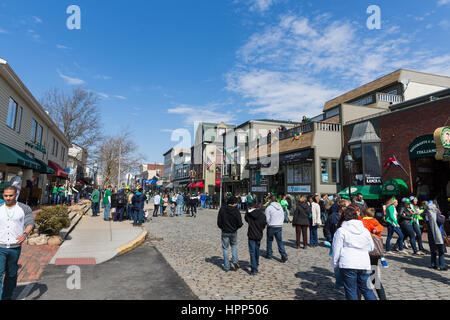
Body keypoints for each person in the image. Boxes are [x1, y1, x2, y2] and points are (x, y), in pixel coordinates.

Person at [331, 206, 377, 301]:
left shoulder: (341, 231)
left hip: (348, 263)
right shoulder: (365, 231)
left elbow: (336, 250)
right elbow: (371, 247)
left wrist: (335, 264)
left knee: (351, 291)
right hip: (364, 263)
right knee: (367, 290)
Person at [0, 186, 35, 300]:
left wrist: (25, 234)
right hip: (0, 246)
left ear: (16, 195)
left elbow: (30, 223)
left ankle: (7, 297)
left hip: (15, 247)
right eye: (5, 196)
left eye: (10, 195)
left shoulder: (24, 208)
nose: (8, 198)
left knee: (11, 274)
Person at [362, 208, 387, 300]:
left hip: (365, 251)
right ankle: (382, 297)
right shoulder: (374, 220)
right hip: (374, 251)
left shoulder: (361, 221)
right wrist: (375, 230)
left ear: (364, 214)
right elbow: (380, 227)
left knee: (362, 277)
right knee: (374, 276)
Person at [217, 196, 243, 272]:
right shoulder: (236, 211)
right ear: (234, 203)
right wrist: (236, 228)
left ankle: (226, 266)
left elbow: (219, 222)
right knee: (234, 246)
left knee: (225, 248)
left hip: (225, 231)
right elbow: (240, 223)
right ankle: (235, 260)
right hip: (233, 232)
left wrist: (222, 227)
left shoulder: (222, 209)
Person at [424, 201, 448, 271]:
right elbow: (440, 221)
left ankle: (433, 264)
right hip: (438, 234)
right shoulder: (435, 213)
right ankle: (442, 265)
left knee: (433, 250)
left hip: (431, 234)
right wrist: (443, 217)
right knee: (441, 251)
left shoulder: (426, 214)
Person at [264, 196, 288, 262]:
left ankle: (269, 254)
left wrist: (269, 223)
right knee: (280, 241)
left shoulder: (269, 208)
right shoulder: (280, 207)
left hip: (271, 226)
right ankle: (284, 255)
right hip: (279, 226)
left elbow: (267, 218)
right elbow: (283, 216)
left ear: (270, 200)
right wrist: (280, 223)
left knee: (269, 241)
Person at [245, 202, 267, 276]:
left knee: (252, 252)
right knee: (257, 249)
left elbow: (246, 219)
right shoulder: (262, 214)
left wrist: (247, 211)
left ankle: (254, 270)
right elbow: (264, 223)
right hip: (259, 234)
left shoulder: (249, 215)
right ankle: (256, 263)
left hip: (251, 234)